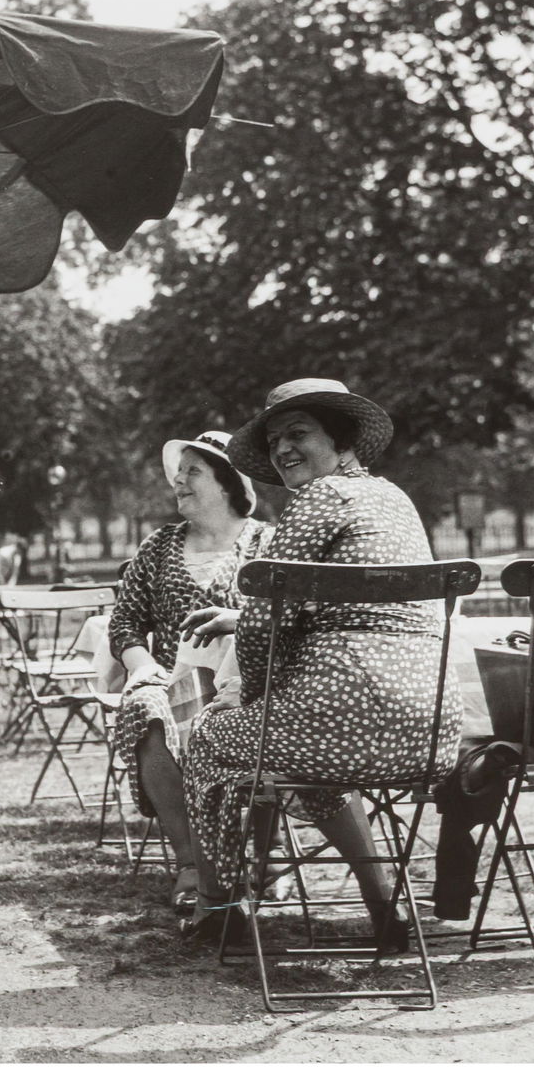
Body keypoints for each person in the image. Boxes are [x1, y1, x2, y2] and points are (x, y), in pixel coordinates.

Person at [176, 379, 462, 949]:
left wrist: (249, 693)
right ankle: (384, 909)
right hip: (432, 731)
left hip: (346, 720)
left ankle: (222, 908)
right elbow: (355, 605)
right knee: (312, 757)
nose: (283, 448)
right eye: (276, 438)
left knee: (209, 735)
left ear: (343, 437)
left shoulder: (319, 498)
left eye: (298, 434)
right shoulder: (393, 498)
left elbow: (264, 621)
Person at [107, 431, 265, 916]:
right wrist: (143, 666)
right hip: (172, 679)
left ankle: (261, 862)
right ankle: (192, 863)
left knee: (258, 716)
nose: (178, 480)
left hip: (251, 680)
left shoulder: (267, 543)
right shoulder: (158, 547)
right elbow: (125, 623)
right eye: (179, 472)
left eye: (193, 471)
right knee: (142, 708)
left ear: (227, 483)